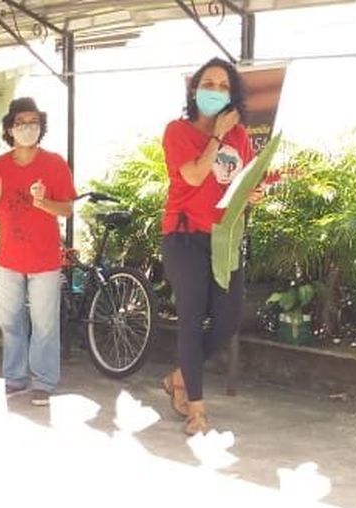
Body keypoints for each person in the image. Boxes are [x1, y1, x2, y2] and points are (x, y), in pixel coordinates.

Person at [160, 57, 265, 435]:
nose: (216, 91)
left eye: (224, 86)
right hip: (184, 236)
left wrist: (253, 193)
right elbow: (193, 174)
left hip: (224, 237)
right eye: (209, 84)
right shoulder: (178, 131)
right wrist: (217, 135)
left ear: (233, 95)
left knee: (228, 319)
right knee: (191, 318)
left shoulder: (241, 137)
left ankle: (179, 375)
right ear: (194, 89)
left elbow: (244, 181)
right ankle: (197, 411)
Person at [0, 97, 76, 406]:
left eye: (33, 123)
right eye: (21, 123)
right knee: (9, 321)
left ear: (41, 127)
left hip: (44, 260)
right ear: (10, 129)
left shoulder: (54, 164)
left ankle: (44, 382)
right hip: (9, 259)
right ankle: (15, 378)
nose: (28, 128)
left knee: (45, 324)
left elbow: (68, 209)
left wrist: (44, 203)